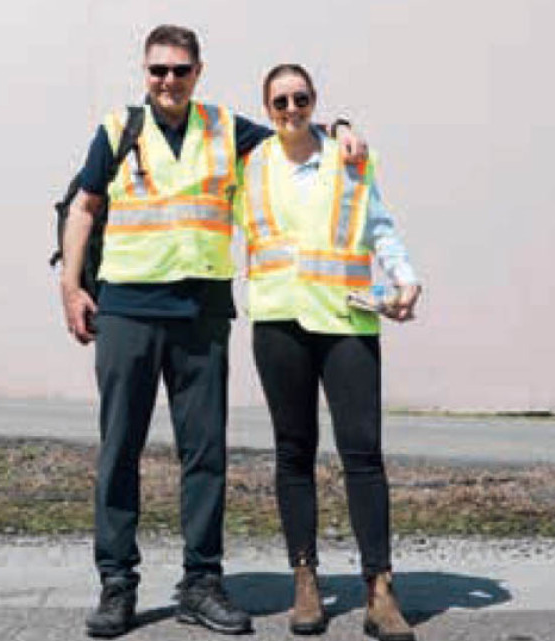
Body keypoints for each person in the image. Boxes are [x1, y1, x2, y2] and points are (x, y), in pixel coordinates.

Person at [60, 26, 367, 638]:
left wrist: (338, 127)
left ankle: (201, 582)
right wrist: (72, 287)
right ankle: (117, 584)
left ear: (198, 72)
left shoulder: (227, 129)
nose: (167, 81)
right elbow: (85, 206)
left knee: (205, 456)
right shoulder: (119, 130)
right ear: (144, 73)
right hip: (126, 312)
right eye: (157, 71)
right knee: (119, 449)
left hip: (200, 317)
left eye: (179, 70)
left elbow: (293, 133)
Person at [235, 63, 421, 640]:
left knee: (363, 453)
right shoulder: (250, 162)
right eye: (279, 101)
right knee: (294, 452)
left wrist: (405, 276)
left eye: (301, 99)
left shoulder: (350, 157)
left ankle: (379, 589)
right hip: (280, 321)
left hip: (348, 318)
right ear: (265, 109)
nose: (291, 109)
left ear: (314, 101)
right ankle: (305, 581)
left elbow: (379, 224)